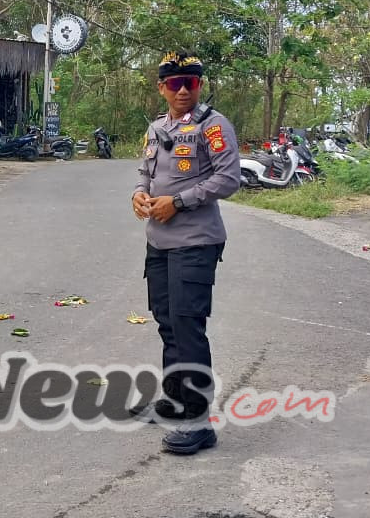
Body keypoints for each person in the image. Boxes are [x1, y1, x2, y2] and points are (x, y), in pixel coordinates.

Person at [130, 51, 241, 456]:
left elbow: (228, 178)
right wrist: (139, 194)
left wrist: (177, 202)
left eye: (189, 83)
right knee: (167, 322)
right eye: (173, 83)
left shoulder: (213, 125)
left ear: (200, 85)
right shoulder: (157, 127)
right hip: (158, 242)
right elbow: (146, 172)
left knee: (187, 325)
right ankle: (175, 401)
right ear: (161, 87)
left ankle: (199, 421)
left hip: (195, 242)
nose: (181, 90)